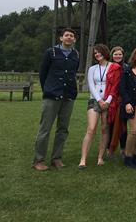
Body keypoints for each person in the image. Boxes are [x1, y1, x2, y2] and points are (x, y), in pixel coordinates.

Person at [32, 28, 80, 171]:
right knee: (45, 129)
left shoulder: (75, 54)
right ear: (61, 38)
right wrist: (48, 89)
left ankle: (56, 158)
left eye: (72, 36)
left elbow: (73, 73)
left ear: (75, 40)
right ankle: (38, 160)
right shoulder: (51, 52)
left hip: (68, 95)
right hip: (52, 96)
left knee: (63, 129)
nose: (69, 38)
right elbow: (43, 73)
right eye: (67, 35)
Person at [78, 44, 121, 168]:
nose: (97, 54)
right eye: (95, 53)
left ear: (105, 52)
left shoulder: (114, 67)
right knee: (91, 129)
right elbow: (91, 85)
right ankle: (83, 159)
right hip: (94, 101)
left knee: (104, 129)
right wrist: (99, 100)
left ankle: (100, 157)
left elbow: (115, 86)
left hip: (109, 101)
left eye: (99, 52)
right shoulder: (92, 69)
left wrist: (107, 101)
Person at [108, 46, 128, 158]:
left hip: (122, 99)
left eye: (120, 54)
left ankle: (123, 148)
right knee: (110, 125)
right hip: (111, 99)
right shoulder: (109, 67)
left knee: (123, 125)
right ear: (112, 55)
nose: (118, 56)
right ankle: (109, 148)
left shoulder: (126, 67)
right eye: (116, 54)